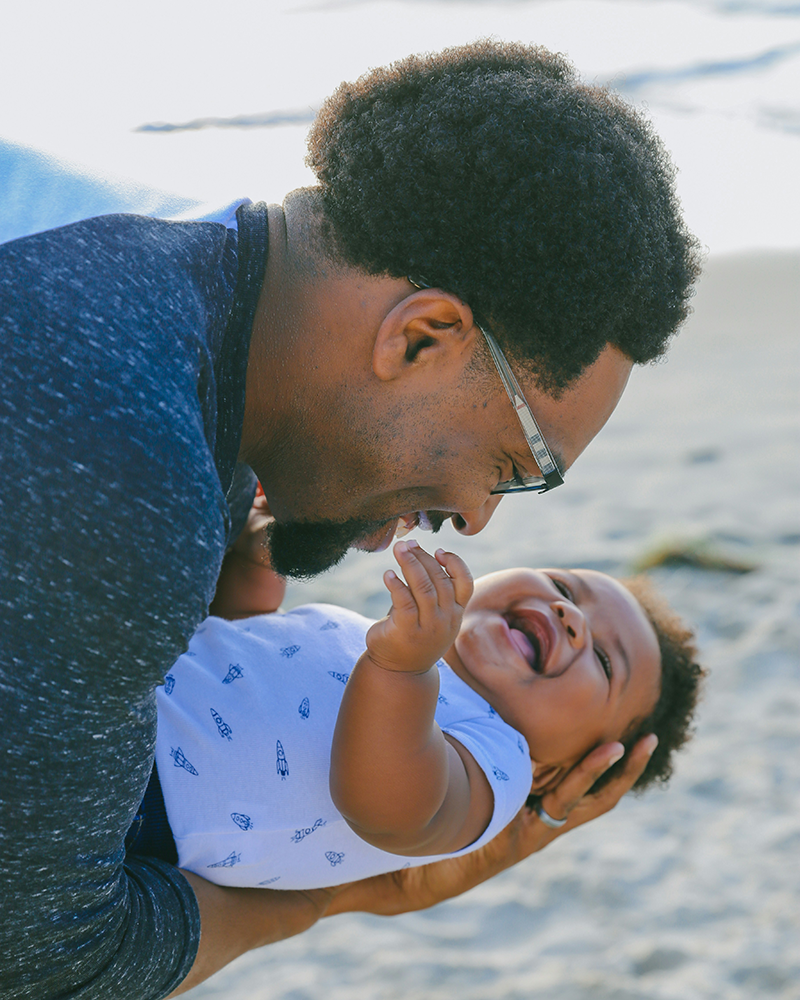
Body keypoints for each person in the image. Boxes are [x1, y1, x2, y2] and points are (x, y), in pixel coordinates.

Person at [0, 40, 701, 1000]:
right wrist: (319, 906)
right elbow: (43, 962)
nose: (476, 518)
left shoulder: (136, 271)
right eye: (512, 466)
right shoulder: (125, 477)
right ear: (420, 336)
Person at [131, 540, 703, 891]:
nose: (568, 614)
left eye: (604, 660)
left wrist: (403, 669)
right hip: (129, 687)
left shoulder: (495, 762)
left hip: (142, 803)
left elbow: (387, 808)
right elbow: (242, 655)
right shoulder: (385, 641)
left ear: (553, 771)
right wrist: (259, 563)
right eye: (563, 586)